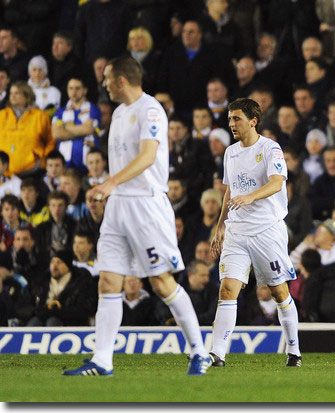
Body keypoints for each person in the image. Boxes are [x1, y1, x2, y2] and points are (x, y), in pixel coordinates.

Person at [63, 56, 211, 376]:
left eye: (106, 78)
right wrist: (105, 192)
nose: (102, 83)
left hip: (146, 205)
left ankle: (199, 351)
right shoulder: (118, 114)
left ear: (121, 81)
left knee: (161, 283)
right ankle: (102, 359)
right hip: (118, 206)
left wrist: (110, 183)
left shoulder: (151, 109)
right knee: (108, 280)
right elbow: (120, 164)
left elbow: (147, 156)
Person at [209, 97, 301, 368]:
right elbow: (229, 191)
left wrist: (250, 197)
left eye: (236, 118)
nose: (232, 124)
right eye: (229, 119)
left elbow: (276, 183)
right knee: (227, 289)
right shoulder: (230, 152)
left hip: (267, 229)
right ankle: (218, 354)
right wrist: (220, 226)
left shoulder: (270, 149)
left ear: (253, 120)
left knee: (278, 291)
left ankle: (294, 351)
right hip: (237, 230)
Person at [0, 81, 55, 177]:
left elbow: (51, 141)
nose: (12, 96)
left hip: (34, 172)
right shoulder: (2, 115)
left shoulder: (40, 116)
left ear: (27, 95)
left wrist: (43, 162)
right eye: (11, 93)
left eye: (17, 93)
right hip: (5, 174)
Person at [51, 77, 101, 174]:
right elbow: (56, 134)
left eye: (77, 88)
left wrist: (64, 127)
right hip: (65, 165)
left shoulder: (93, 109)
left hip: (88, 166)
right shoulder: (60, 111)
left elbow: (88, 129)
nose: (74, 91)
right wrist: (81, 130)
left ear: (85, 90)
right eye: (70, 88)